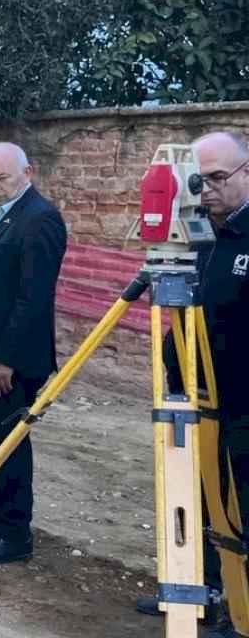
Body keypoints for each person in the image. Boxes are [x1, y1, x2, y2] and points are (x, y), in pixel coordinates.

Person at [135, 132, 249, 633]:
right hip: (194, 395)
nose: (206, 190)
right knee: (194, 499)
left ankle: (241, 610)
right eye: (199, 180)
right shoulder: (195, 235)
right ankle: (195, 589)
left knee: (239, 506)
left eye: (219, 178)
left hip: (241, 404)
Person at [0, 142, 67, 564]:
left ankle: (15, 532)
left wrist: (6, 357)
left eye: (2, 178)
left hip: (13, 361)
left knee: (9, 445)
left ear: (28, 173)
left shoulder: (40, 220)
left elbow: (32, 297)